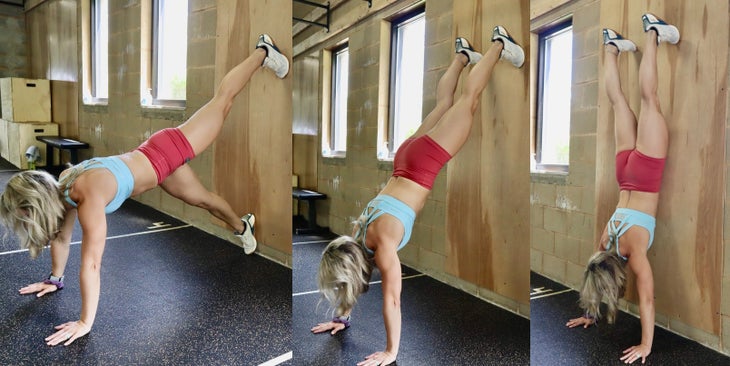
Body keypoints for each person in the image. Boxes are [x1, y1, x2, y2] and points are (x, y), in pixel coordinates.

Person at [0, 33, 289, 347]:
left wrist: (85, 321)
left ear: (36, 205)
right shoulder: (65, 184)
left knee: (223, 101)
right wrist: (55, 279)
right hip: (161, 169)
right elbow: (62, 235)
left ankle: (263, 51)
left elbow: (92, 263)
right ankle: (241, 225)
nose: (23, 224)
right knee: (203, 200)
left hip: (169, 150)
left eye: (23, 216)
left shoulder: (88, 195)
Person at [311, 26, 525, 366]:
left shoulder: (381, 247)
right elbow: (352, 275)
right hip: (406, 156)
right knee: (445, 104)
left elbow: (392, 300)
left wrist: (391, 351)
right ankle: (461, 55)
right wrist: (341, 317)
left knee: (468, 102)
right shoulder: (356, 237)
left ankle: (500, 44)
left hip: (424, 162)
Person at [565, 14, 680, 365]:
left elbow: (647, 300)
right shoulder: (603, 244)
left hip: (643, 172)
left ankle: (653, 33)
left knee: (648, 98)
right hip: (625, 172)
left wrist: (646, 345)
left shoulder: (634, 252)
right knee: (620, 102)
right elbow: (596, 278)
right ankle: (611, 47)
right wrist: (591, 312)